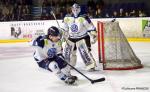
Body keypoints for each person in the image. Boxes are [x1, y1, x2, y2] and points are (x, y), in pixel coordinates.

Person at [62, 3, 97, 71]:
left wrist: (94, 35)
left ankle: (91, 65)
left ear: (79, 9)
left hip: (83, 37)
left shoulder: (84, 17)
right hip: (71, 37)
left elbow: (90, 27)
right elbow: (65, 28)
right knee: (68, 51)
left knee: (85, 51)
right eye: (73, 9)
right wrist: (64, 34)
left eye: (76, 9)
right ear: (71, 9)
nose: (75, 10)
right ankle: (70, 65)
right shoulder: (67, 17)